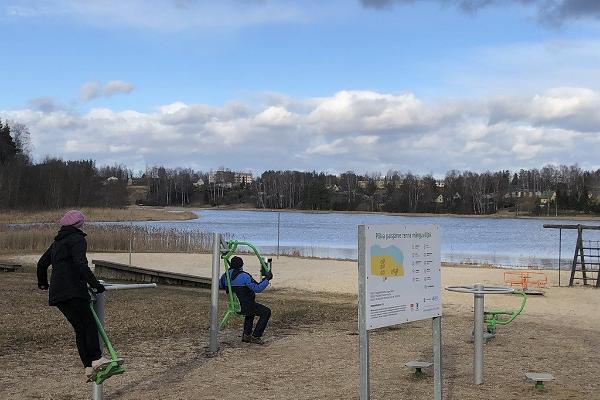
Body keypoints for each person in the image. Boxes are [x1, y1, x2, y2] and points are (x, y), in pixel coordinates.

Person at [37, 210, 111, 379]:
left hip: (57, 293)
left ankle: (88, 366)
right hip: (74, 290)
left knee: (79, 328)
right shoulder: (77, 239)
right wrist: (96, 285)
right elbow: (81, 264)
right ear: (79, 225)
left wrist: (43, 284)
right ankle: (97, 358)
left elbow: (42, 264)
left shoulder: (57, 242)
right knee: (89, 324)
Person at [219, 256, 273, 345]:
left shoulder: (225, 276)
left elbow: (220, 285)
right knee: (266, 312)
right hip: (246, 306)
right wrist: (267, 279)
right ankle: (256, 336)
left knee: (250, 312)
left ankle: (246, 335)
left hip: (235, 306)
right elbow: (257, 288)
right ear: (241, 265)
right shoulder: (244, 276)